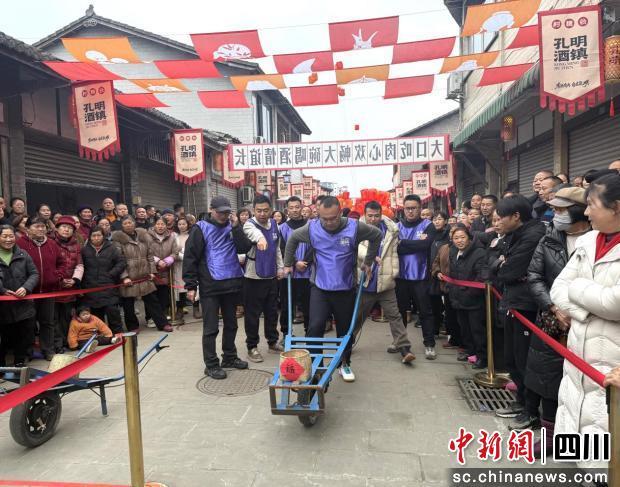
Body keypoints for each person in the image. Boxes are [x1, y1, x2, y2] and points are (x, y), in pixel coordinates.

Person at [550, 173, 620, 470]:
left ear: (616, 207)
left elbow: (614, 303)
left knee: (605, 448)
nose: (586, 212)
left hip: (610, 362)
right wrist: (586, 310)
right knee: (575, 423)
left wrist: (578, 289)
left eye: (592, 205)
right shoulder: (588, 240)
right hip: (578, 357)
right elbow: (557, 289)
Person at [284, 196, 382, 382]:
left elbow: (376, 235)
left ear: (340, 212)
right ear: (318, 214)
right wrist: (288, 264)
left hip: (345, 287)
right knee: (315, 326)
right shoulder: (312, 228)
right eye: (324, 219)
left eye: (333, 218)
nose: (329, 223)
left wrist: (368, 261)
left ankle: (344, 364)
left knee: (345, 329)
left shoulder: (354, 227)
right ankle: (315, 365)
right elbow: (293, 239)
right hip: (320, 286)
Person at [523, 186, 591, 447]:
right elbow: (534, 276)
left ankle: (583, 442)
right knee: (548, 379)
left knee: (584, 385)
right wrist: (553, 307)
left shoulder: (596, 240)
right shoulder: (549, 239)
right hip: (553, 320)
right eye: (553, 210)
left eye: (561, 210)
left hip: (587, 323)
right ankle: (551, 435)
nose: (555, 215)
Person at [183, 196, 253, 380]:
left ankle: (229, 357)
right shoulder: (200, 228)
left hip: (232, 283)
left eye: (227, 212)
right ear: (211, 210)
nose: (223, 216)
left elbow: (244, 248)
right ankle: (211, 364)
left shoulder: (232, 227)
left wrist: (236, 227)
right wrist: (190, 285)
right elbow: (190, 257)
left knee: (231, 324)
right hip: (210, 285)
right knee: (211, 327)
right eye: (220, 212)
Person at [490, 195, 546, 420]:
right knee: (511, 358)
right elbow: (495, 263)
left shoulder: (534, 235)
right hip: (513, 301)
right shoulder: (514, 235)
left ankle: (530, 411)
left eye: (500, 218)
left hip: (527, 306)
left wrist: (502, 265)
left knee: (524, 360)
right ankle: (521, 401)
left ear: (516, 216)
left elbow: (508, 271)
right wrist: (501, 264)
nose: (497, 222)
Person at [355, 201, 415, 364]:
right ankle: (347, 343)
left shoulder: (391, 230)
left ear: (381, 215)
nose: (373, 219)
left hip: (385, 281)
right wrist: (370, 256)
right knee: (358, 317)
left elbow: (394, 253)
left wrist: (393, 273)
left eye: (376, 216)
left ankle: (404, 348)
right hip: (366, 282)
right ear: (365, 215)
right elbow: (356, 248)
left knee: (395, 315)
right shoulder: (357, 229)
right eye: (370, 216)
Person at [111, 215, 173, 333]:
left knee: (153, 301)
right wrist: (124, 277)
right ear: (122, 225)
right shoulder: (118, 239)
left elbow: (150, 255)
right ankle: (132, 326)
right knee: (128, 304)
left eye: (130, 222)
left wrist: (152, 271)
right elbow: (118, 260)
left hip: (144, 275)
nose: (128, 225)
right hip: (129, 277)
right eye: (125, 223)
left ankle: (163, 324)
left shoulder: (143, 236)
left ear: (134, 223)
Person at [242, 195, 284, 362]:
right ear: (253, 210)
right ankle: (252, 346)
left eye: (265, 210)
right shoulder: (249, 225)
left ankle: (272, 341)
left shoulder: (274, 224)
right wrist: (260, 238)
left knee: (272, 311)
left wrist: (280, 267)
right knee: (252, 314)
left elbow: (277, 249)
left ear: (271, 210)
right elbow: (255, 233)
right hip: (253, 277)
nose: (262, 214)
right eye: (258, 210)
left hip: (271, 275)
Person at [396, 194, 439, 360]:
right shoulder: (397, 226)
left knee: (425, 311)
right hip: (401, 276)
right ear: (403, 209)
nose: (410, 211)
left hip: (421, 276)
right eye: (407, 208)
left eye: (414, 208)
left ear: (420, 208)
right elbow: (395, 248)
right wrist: (415, 244)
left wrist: (403, 242)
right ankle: (400, 343)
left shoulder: (428, 225)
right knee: (400, 312)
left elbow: (425, 244)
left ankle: (429, 344)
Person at [17, 216, 64, 360]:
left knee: (48, 322)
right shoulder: (19, 244)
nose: (40, 229)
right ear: (27, 228)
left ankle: (48, 350)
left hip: (48, 291)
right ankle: (27, 353)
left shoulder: (52, 244)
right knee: (28, 324)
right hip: (28, 292)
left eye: (43, 226)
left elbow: (61, 262)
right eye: (36, 226)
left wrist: (57, 275)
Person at [441, 225, 487, 369]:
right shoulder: (453, 251)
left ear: (469, 238)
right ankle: (470, 351)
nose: (459, 241)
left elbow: (481, 276)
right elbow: (452, 273)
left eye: (462, 237)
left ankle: (482, 357)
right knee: (465, 328)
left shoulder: (479, 253)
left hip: (473, 299)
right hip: (458, 298)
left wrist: (469, 292)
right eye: (456, 238)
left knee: (477, 330)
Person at [0, 225, 39, 367]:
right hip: (2, 307)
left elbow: (34, 274)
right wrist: (2, 290)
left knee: (23, 337)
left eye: (11, 236)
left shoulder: (23, 254)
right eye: (4, 236)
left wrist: (26, 288)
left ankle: (19, 365)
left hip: (23, 305)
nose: (8, 239)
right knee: (4, 339)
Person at [80, 227, 125, 333]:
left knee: (113, 312)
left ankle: (117, 335)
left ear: (103, 236)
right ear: (90, 237)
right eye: (93, 236)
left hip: (108, 286)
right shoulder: (84, 250)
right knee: (96, 316)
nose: (96, 238)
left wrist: (111, 274)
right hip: (91, 287)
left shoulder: (112, 248)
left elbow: (121, 262)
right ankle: (102, 336)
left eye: (99, 235)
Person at [279, 196, 311, 334]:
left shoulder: (311, 225)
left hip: (308, 272)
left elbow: (315, 246)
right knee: (287, 305)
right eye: (291, 208)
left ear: (301, 207)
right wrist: (294, 262)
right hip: (289, 273)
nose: (294, 210)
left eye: (297, 207)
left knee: (309, 306)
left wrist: (305, 262)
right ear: (287, 210)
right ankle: (286, 334)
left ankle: (310, 333)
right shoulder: (282, 228)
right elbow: (282, 248)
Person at [51, 216, 84, 353]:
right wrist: (60, 280)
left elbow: (79, 264)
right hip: (54, 286)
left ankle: (66, 341)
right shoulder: (50, 242)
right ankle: (57, 345)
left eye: (70, 228)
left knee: (66, 317)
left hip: (70, 287)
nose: (66, 230)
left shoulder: (76, 245)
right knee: (53, 318)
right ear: (57, 229)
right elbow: (49, 265)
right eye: (64, 227)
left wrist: (74, 279)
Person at [147, 216, 180, 322]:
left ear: (166, 226)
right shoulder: (147, 236)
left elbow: (175, 252)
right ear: (154, 225)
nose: (160, 226)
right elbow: (145, 251)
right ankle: (150, 318)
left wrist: (167, 261)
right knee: (151, 296)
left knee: (164, 295)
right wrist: (157, 261)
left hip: (166, 271)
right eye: (158, 224)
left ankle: (162, 317)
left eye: (162, 224)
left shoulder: (172, 237)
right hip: (152, 270)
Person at [429, 212, 450, 338]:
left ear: (445, 221)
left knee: (448, 304)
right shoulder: (430, 234)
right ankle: (435, 328)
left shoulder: (449, 235)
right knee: (434, 302)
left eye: (439, 219)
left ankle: (449, 330)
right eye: (434, 219)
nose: (436, 221)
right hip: (433, 273)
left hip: (445, 275)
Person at [173, 216, 191, 316]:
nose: (182, 226)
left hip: (191, 264)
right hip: (179, 265)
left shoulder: (192, 236)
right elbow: (174, 250)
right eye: (179, 224)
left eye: (184, 224)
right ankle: (180, 308)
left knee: (192, 285)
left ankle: (196, 308)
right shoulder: (174, 237)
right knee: (180, 287)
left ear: (187, 225)